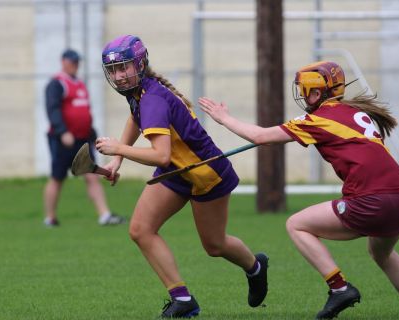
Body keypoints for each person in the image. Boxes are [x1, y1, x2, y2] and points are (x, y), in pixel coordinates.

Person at [199, 61, 399, 319]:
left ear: (318, 93)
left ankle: (339, 288)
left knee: (296, 224)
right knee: (381, 253)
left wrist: (224, 119)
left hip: (372, 199)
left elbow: (261, 137)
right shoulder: (356, 113)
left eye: (305, 90)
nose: (303, 95)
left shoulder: (318, 119)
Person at [95, 35, 269, 318]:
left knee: (215, 245)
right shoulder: (140, 94)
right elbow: (134, 119)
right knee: (140, 230)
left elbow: (161, 155)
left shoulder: (152, 99)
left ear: (140, 64)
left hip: (205, 174)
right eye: (113, 70)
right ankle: (182, 299)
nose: (119, 76)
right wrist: (117, 160)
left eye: (124, 67)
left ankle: (256, 267)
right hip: (176, 171)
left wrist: (119, 147)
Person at [43, 49, 126, 227]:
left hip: (82, 140)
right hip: (63, 140)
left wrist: (92, 136)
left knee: (92, 175)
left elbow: (85, 113)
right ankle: (50, 217)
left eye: (77, 62)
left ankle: (104, 215)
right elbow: (53, 109)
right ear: (63, 62)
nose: (75, 65)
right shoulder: (57, 84)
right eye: (72, 61)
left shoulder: (79, 84)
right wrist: (62, 131)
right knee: (57, 178)